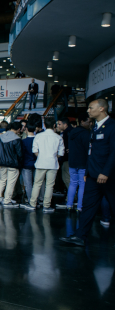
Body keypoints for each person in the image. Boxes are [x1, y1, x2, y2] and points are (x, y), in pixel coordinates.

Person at [61, 99, 115, 247]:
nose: (88, 111)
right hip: (92, 175)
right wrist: (87, 170)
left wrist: (105, 172)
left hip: (107, 177)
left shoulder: (112, 126)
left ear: (102, 109)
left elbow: (113, 152)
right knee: (87, 206)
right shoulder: (94, 128)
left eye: (91, 108)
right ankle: (80, 236)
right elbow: (90, 152)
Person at [22, 116, 64, 213]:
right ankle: (46, 206)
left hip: (40, 163)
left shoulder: (38, 136)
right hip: (53, 164)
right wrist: (53, 157)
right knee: (49, 185)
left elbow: (35, 151)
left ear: (44, 125)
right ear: (54, 125)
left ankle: (32, 204)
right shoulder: (58, 137)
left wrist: (42, 157)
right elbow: (61, 153)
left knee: (37, 184)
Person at [56, 113, 91, 210]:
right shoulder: (86, 133)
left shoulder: (72, 133)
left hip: (72, 161)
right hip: (82, 162)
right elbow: (87, 149)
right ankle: (80, 206)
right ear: (82, 121)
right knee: (82, 184)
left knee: (72, 183)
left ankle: (69, 205)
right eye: (89, 121)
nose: (90, 124)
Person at [0, 122, 23, 208]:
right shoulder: (17, 139)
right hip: (13, 164)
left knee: (2, 181)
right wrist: (20, 164)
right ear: (18, 129)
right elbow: (19, 154)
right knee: (10, 183)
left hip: (1, 163)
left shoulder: (0, 138)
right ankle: (7, 201)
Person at [20, 123, 42, 206]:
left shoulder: (23, 141)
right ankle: (39, 199)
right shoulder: (38, 140)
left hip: (26, 164)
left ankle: (30, 200)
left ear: (26, 129)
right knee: (38, 183)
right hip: (37, 164)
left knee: (28, 184)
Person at [57, 118, 72, 192]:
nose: (58, 126)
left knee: (66, 177)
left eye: (59, 124)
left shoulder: (68, 133)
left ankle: (72, 197)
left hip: (67, 159)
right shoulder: (64, 132)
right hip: (66, 158)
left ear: (65, 124)